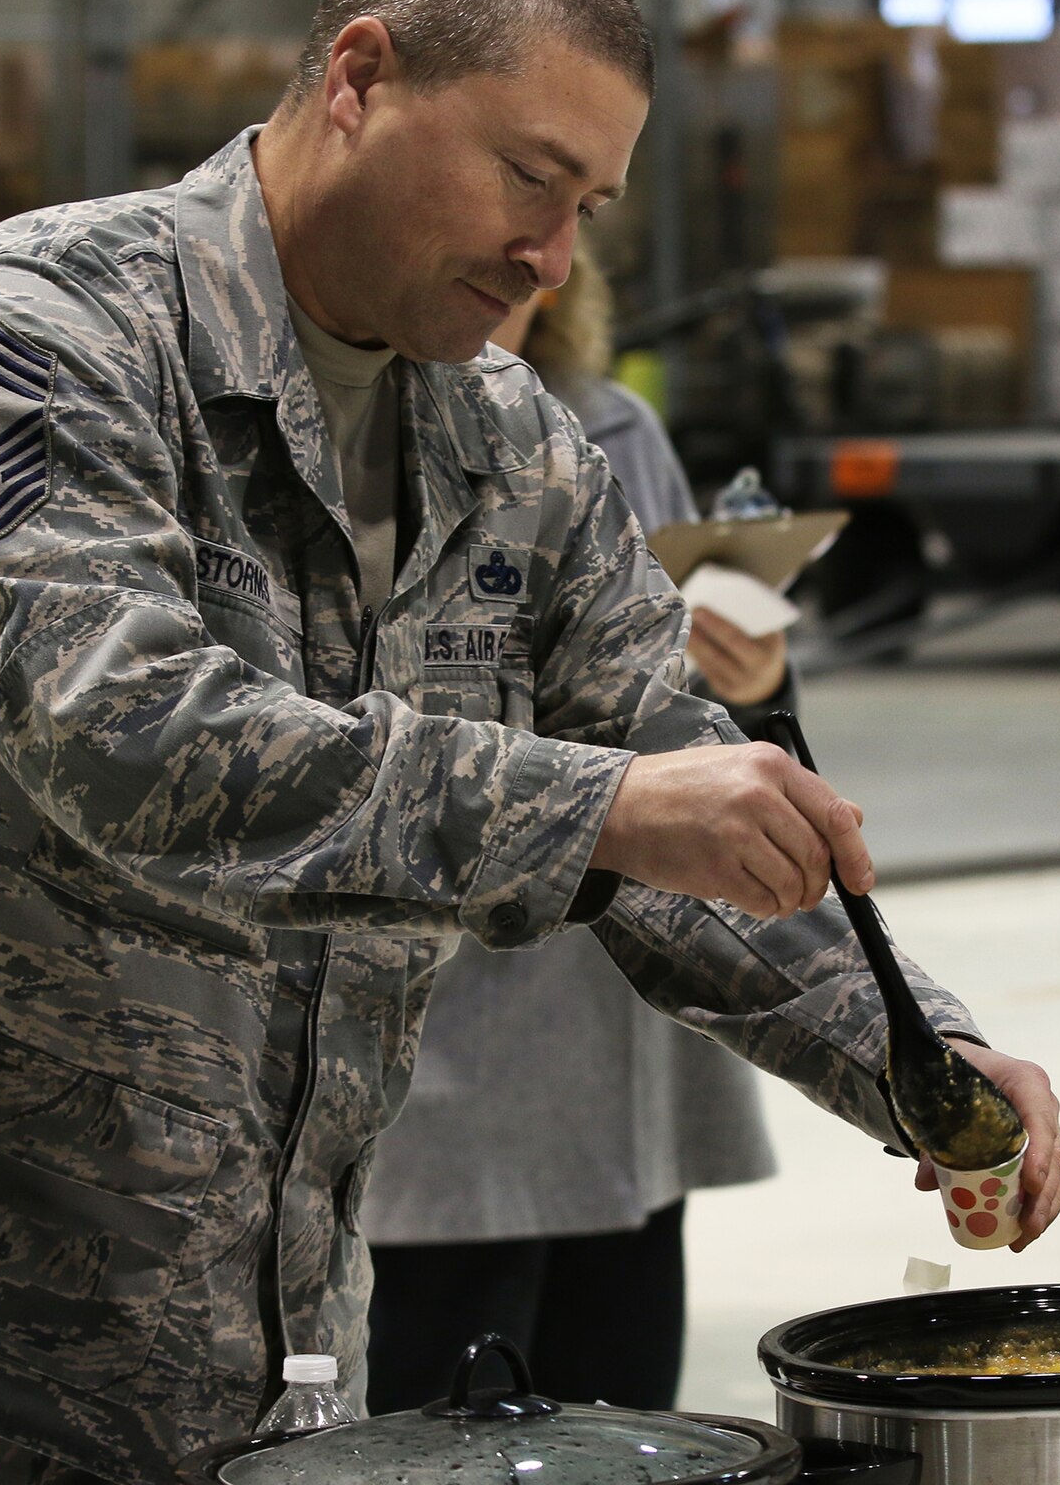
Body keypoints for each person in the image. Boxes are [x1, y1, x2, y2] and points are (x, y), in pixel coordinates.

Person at [0, 0, 1060, 1485]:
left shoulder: (512, 447)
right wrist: (607, 804)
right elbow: (134, 744)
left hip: (255, 1351)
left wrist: (916, 1052)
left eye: (589, 203)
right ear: (359, 75)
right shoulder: (38, 342)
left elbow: (683, 808)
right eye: (529, 175)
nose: (554, 251)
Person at [362, 243, 792, 1414]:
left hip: (614, 989)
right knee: (443, 1371)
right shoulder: (356, 432)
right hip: (450, 986)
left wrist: (749, 678)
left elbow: (693, 710)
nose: (529, 267)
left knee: (618, 1376)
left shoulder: (607, 428)